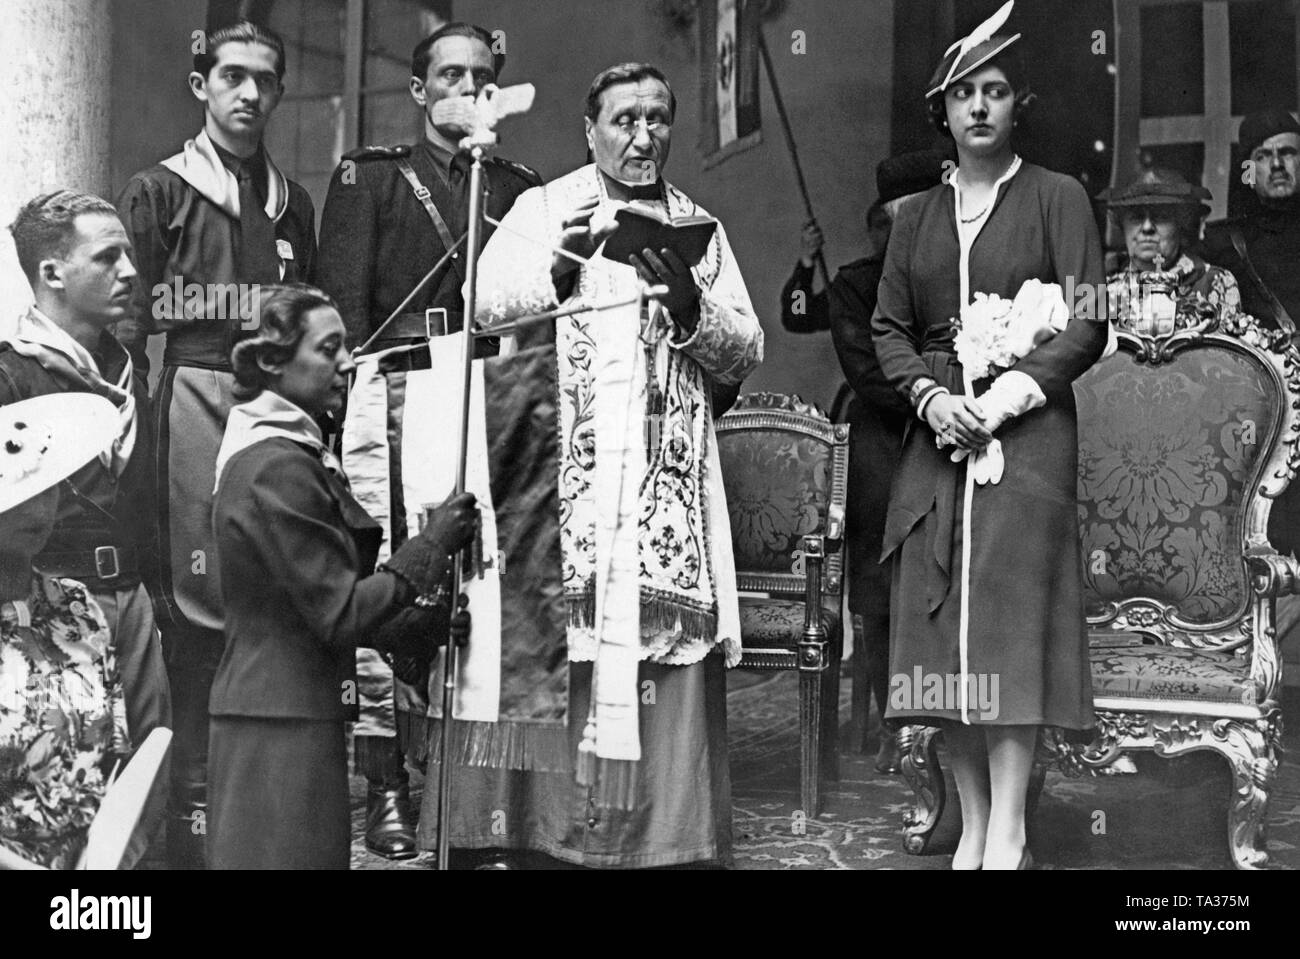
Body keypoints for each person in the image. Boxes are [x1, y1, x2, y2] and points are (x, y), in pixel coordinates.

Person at [436, 62, 762, 867]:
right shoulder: (543, 208)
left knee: (653, 648)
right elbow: (481, 302)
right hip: (558, 469)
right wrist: (556, 268)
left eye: (657, 118)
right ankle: (534, 833)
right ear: (591, 129)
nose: (642, 135)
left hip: (662, 474)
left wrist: (689, 303)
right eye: (624, 119)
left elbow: (748, 346)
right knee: (557, 636)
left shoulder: (700, 227)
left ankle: (655, 839)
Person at [871, 8, 1108, 870]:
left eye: (996, 92)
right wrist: (932, 399)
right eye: (964, 93)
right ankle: (970, 818)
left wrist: (1007, 396)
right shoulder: (915, 218)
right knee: (940, 639)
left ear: (1019, 105)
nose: (980, 108)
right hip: (937, 446)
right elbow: (888, 331)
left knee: (1006, 634)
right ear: (944, 109)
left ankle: (1008, 826)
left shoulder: (1058, 197)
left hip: (1029, 444)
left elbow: (1089, 321)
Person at [314, 20, 541, 860]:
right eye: (448, 75)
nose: (466, 89)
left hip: (492, 394)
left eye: (483, 77)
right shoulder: (370, 178)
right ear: (418, 91)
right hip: (395, 394)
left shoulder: (520, 187)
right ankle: (388, 788)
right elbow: (340, 311)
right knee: (394, 584)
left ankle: (483, 789)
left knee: (490, 593)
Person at [114, 19, 316, 865]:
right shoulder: (158, 190)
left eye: (264, 80)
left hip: (271, 411)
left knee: (266, 592)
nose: (247, 94)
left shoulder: (290, 203)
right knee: (195, 601)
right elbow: (128, 315)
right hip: (192, 400)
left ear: (277, 92)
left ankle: (255, 792)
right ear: (202, 85)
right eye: (231, 76)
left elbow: (309, 318)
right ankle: (190, 793)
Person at [207, 284, 478, 870]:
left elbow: (314, 600)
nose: (348, 363)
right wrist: (429, 547)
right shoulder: (275, 466)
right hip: (277, 723)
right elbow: (337, 613)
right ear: (273, 361)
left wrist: (418, 625)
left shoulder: (290, 454)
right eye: (328, 349)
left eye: (347, 347)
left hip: (287, 712)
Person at [0, 191, 172, 860]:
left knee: (145, 783)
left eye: (129, 253)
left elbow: (146, 502)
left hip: (130, 603)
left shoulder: (128, 372)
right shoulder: (12, 372)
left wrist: (156, 601)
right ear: (52, 273)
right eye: (108, 256)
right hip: (47, 612)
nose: (131, 271)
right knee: (58, 781)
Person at [829, 151, 949, 774]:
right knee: (879, 597)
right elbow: (869, 372)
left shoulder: (959, 273)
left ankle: (953, 731)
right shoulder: (854, 284)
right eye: (900, 219)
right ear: (884, 224)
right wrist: (937, 398)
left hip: (958, 444)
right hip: (886, 443)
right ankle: (897, 728)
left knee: (949, 586)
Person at [0, 395, 132, 870]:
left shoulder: (76, 606)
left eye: (48, 486)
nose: (39, 506)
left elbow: (117, 757)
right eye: (18, 491)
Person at [1100, 169, 1241, 332]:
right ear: (1122, 225)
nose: (1147, 228)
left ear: (1181, 224)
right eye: (1136, 217)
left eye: (1160, 217)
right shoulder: (1103, 283)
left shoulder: (1215, 282)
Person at [1202, 109, 1300, 334]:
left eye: (1287, 153)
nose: (1276, 164)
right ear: (1249, 174)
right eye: (1262, 156)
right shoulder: (1223, 243)